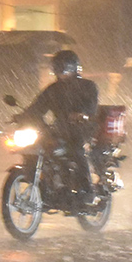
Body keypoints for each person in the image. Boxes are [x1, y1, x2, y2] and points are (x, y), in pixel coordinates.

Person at [22, 49, 100, 201]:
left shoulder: (88, 86)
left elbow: (91, 107)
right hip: (61, 128)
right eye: (57, 67)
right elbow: (38, 106)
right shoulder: (53, 89)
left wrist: (81, 114)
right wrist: (23, 115)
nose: (60, 71)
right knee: (42, 146)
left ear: (72, 67)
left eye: (63, 66)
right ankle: (54, 185)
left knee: (76, 149)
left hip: (83, 128)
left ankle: (87, 189)